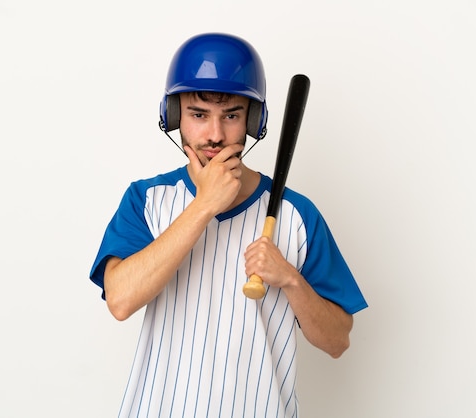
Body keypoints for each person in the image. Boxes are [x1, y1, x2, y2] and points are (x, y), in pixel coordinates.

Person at [89, 32, 368, 417]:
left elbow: (338, 340)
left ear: (254, 120)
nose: (215, 135)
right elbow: (119, 301)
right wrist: (203, 205)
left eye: (232, 115)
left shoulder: (296, 215)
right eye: (198, 114)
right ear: (174, 117)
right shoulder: (146, 199)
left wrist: (290, 279)